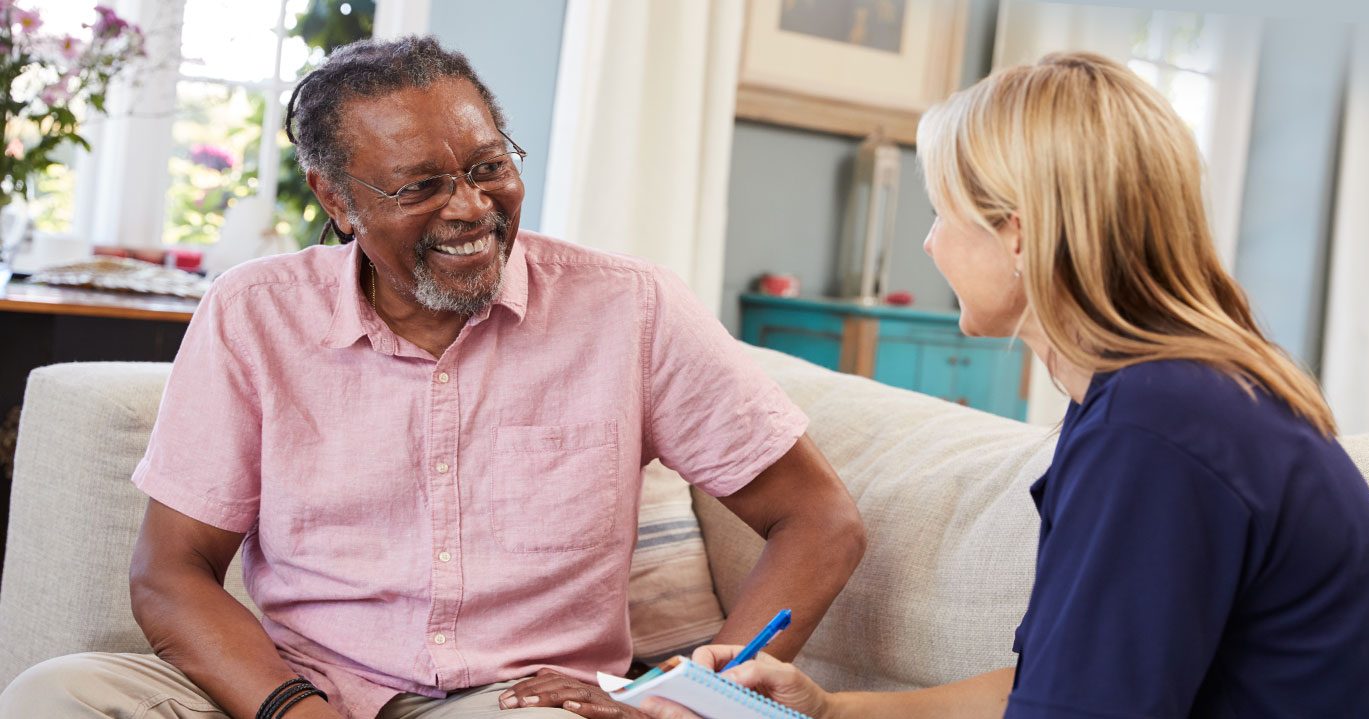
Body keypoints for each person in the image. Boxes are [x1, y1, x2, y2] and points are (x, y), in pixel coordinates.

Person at [0, 37, 866, 719]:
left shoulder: (629, 308)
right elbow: (171, 570)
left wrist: (689, 695)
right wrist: (294, 711)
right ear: (337, 200)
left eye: (488, 166)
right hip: (298, 685)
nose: (471, 207)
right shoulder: (253, 313)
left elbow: (818, 518)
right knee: (59, 695)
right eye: (421, 185)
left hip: (520, 699)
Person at [634, 51, 1369, 719]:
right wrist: (830, 710)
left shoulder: (1157, 430)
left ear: (1018, 233)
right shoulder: (1164, 400)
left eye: (941, 211)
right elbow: (1045, 684)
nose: (929, 243)